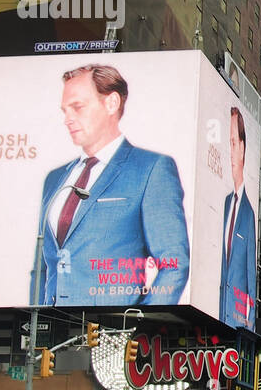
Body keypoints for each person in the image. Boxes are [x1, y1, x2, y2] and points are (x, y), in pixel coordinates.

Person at [35, 65, 190, 307]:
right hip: (52, 331)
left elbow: (173, 264)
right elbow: (42, 268)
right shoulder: (55, 180)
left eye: (77, 107)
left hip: (113, 330)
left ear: (111, 103)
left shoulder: (151, 169)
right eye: (64, 110)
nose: (67, 119)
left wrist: (139, 325)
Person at [218, 107, 257, 329]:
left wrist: (249, 323)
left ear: (242, 147)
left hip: (237, 322)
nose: (230, 152)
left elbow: (251, 277)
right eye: (228, 144)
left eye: (234, 144)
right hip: (216, 314)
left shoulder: (249, 214)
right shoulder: (224, 203)